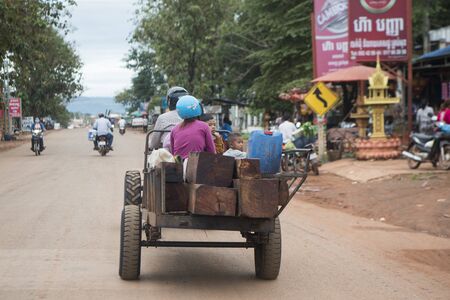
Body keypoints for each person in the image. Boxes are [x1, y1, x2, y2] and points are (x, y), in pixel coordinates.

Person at [170, 95, 215, 159]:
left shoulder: (174, 130)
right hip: (197, 164)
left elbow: (173, 153)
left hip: (179, 165)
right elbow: (211, 151)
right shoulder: (204, 126)